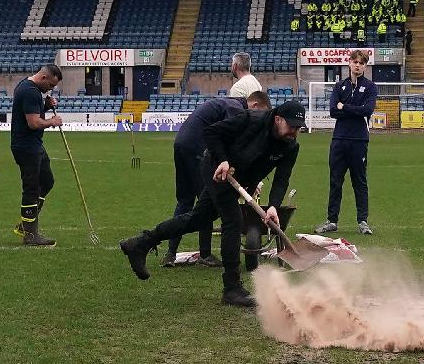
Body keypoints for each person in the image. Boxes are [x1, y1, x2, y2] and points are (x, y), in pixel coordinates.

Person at [120, 99, 304, 308]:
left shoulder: (291, 146)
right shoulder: (251, 120)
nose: (294, 132)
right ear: (278, 119)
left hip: (240, 180)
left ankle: (140, 243)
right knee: (233, 222)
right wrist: (222, 159)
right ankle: (232, 288)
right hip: (217, 170)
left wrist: (273, 205)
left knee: (198, 219)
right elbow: (212, 132)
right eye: (291, 126)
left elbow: (282, 179)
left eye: (298, 128)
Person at [163, 89, 270, 267]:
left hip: (182, 144)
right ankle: (205, 255)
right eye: (261, 113)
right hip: (198, 149)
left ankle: (170, 254)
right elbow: (233, 139)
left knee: (185, 201)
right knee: (207, 202)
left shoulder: (226, 102)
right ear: (255, 105)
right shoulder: (235, 108)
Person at [317, 50, 377, 236]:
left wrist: (346, 107)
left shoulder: (370, 87)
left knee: (359, 181)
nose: (357, 65)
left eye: (361, 62)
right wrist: (353, 109)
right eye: (354, 61)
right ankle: (332, 220)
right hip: (339, 139)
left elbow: (367, 110)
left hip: (359, 140)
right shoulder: (339, 86)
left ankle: (363, 221)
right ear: (349, 63)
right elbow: (334, 111)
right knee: (335, 181)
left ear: (365, 66)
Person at [9, 64, 65, 246]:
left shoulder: (27, 86)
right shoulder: (30, 91)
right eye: (50, 85)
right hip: (26, 147)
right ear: (43, 78)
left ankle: (25, 224)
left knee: (47, 181)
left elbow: (33, 113)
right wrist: (52, 121)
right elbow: (33, 123)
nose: (51, 89)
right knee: (31, 188)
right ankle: (30, 234)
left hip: (35, 145)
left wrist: (46, 107)